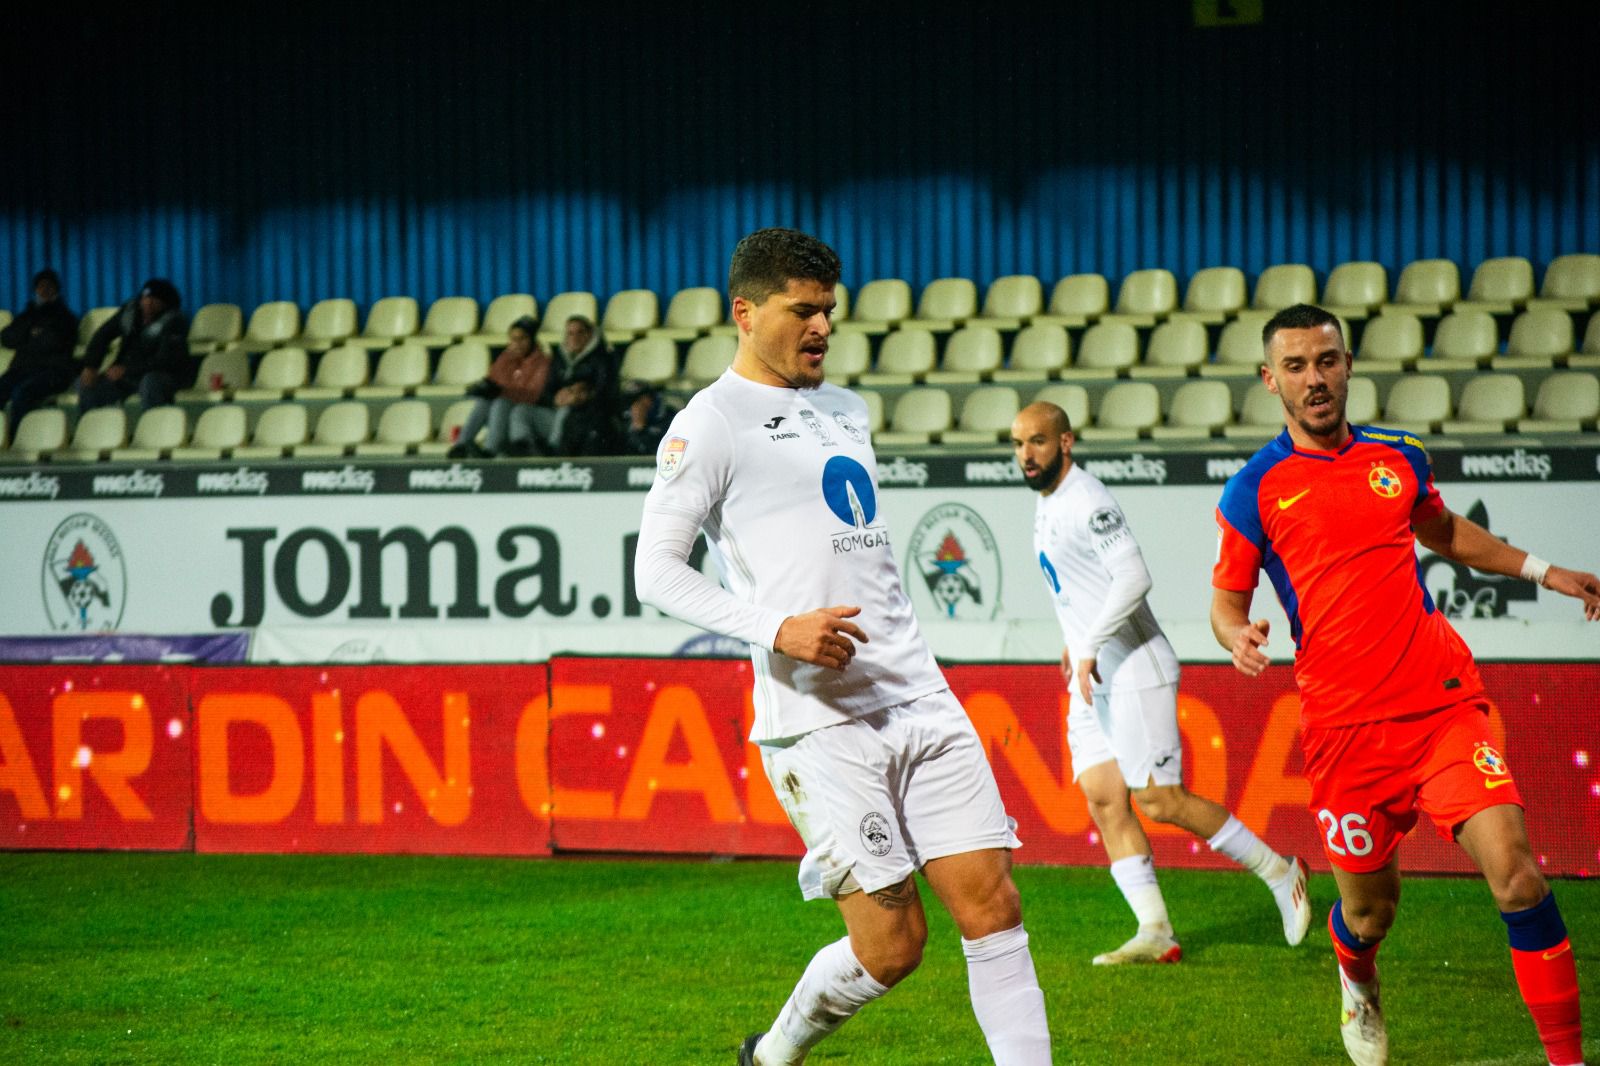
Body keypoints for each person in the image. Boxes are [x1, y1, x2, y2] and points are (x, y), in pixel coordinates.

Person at [636, 228, 1051, 1066]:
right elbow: (654, 572)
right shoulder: (709, 424)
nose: (822, 326)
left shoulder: (846, 409)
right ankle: (774, 1054)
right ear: (745, 313)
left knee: (994, 909)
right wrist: (778, 628)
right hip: (819, 721)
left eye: (829, 310)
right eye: (802, 311)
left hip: (919, 694)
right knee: (894, 945)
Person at [1210, 303, 1598, 1066]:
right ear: (1269, 381)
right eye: (1296, 366)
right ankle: (1357, 976)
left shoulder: (1400, 456)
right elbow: (1226, 602)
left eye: (1326, 361)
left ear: (1348, 365)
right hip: (1344, 732)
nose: (1314, 379)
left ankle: (1565, 1061)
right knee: (1370, 910)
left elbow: (1447, 532)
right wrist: (1237, 636)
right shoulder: (1253, 489)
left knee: (1518, 876)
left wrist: (1545, 571)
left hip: (1442, 705)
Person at [1011, 400, 1311, 965]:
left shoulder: (1088, 499)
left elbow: (1133, 576)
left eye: (1038, 443)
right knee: (1104, 797)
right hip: (1093, 670)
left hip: (1134, 669)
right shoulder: (1048, 503)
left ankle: (1281, 871)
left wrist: (1091, 643)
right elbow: (1079, 585)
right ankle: (1155, 930)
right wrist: (1075, 639)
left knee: (1159, 799)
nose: (1027, 455)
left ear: (1066, 443)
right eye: (1019, 444)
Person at [77, 278, 193, 411]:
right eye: (145, 298)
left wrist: (127, 369)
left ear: (165, 304)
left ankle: (153, 428)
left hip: (163, 375)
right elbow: (102, 336)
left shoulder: (175, 321)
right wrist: (91, 366)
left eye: (154, 300)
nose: (148, 303)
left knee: (150, 382)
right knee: (87, 384)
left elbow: (165, 360)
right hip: (128, 376)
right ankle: (92, 426)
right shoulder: (130, 313)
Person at [448, 315, 550, 458]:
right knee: (484, 402)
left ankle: (491, 449)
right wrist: (484, 389)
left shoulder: (543, 363)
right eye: (513, 339)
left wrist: (502, 391)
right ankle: (461, 446)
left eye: (522, 339)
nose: (517, 344)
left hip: (521, 418)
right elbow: (493, 381)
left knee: (501, 402)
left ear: (532, 339)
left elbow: (535, 396)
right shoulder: (505, 358)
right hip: (499, 416)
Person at [0, 269, 80, 429]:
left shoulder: (65, 317)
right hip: (23, 369)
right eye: (40, 286)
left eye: (49, 286)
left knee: (22, 393)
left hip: (54, 371)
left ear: (56, 289)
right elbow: (7, 338)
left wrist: (30, 336)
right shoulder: (27, 315)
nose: (44, 290)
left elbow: (53, 342)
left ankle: (17, 439)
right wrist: (31, 330)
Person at [540, 314, 616, 455]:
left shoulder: (603, 358)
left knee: (566, 411)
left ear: (589, 335)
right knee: (521, 412)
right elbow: (546, 392)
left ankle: (554, 452)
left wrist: (581, 397)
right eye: (570, 333)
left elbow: (606, 392)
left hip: (584, 416)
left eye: (580, 332)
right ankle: (524, 453)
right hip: (555, 412)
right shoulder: (559, 358)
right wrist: (555, 399)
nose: (574, 337)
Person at [616, 379, 672, 456]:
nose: (635, 406)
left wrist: (642, 430)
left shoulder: (669, 416)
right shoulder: (625, 419)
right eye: (631, 401)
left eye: (639, 400)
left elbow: (663, 452)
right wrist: (637, 429)